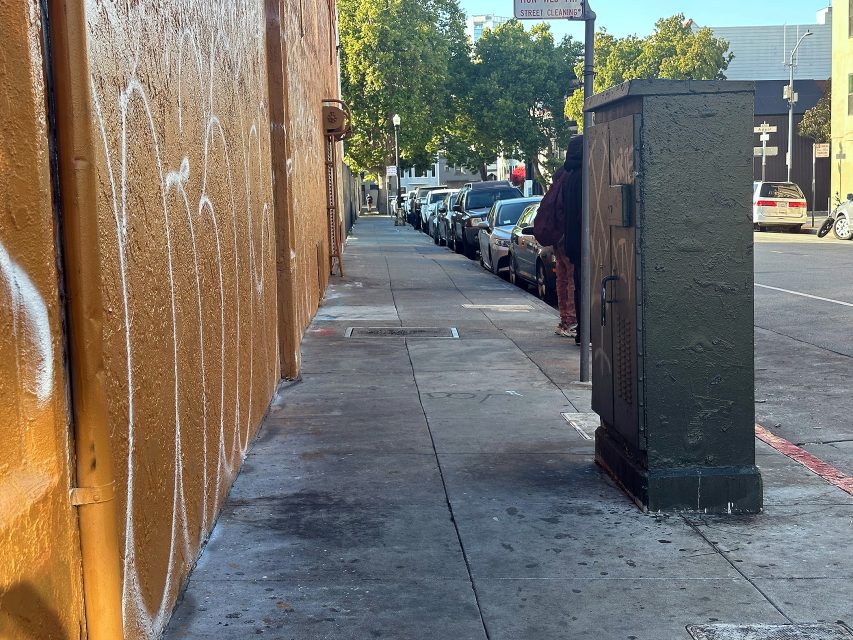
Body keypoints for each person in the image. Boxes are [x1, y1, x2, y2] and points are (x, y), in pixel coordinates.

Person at [545, 135, 583, 342]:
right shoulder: (579, 175)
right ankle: (573, 321)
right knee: (573, 278)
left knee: (562, 277)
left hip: (558, 233)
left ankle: (565, 321)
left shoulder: (561, 174)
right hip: (571, 233)